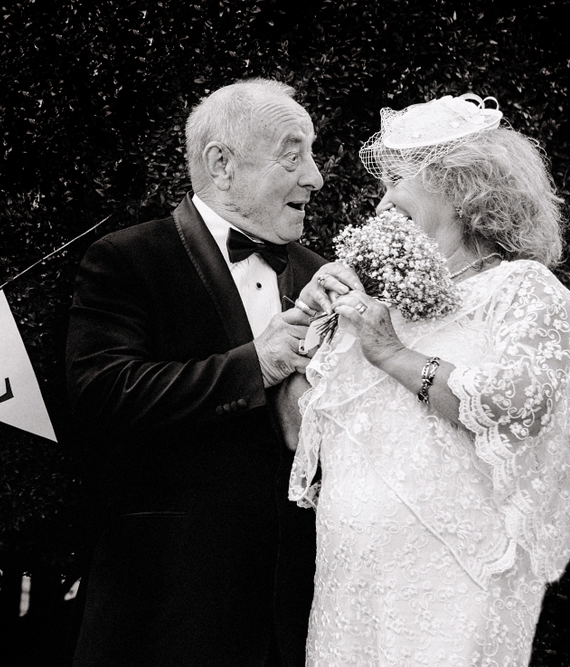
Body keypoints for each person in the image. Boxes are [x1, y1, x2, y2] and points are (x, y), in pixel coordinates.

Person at [290, 93, 570, 666]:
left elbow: (524, 404)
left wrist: (392, 356)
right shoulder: (383, 305)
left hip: (455, 584)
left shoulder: (522, 288)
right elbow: (301, 436)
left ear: (462, 187)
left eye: (400, 179)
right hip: (351, 589)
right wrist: (306, 337)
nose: (384, 200)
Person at [66, 78, 326, 667]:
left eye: (312, 154)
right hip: (168, 605)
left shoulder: (320, 271)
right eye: (294, 154)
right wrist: (255, 364)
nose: (315, 176)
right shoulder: (128, 259)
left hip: (296, 609)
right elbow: (102, 394)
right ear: (222, 165)